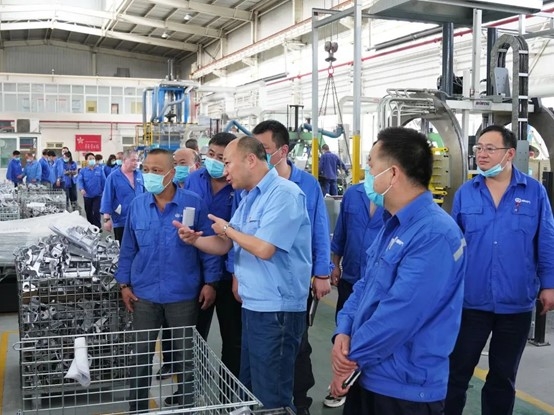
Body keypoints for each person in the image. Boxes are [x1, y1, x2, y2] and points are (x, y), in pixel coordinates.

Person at [331, 127, 466, 415]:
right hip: (368, 374)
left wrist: (349, 359)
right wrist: (343, 331)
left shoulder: (434, 234)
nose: (367, 174)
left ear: (392, 174)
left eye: (371, 165)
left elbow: (400, 314)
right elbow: (365, 285)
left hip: (405, 389)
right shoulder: (392, 224)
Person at [174, 136, 311, 410]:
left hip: (277, 311)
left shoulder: (284, 194)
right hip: (253, 306)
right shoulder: (249, 198)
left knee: (272, 397)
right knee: (250, 390)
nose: (224, 171)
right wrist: (195, 240)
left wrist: (227, 229)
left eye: (227, 163)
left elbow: (264, 248)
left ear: (250, 160)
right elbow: (225, 244)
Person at [445, 125, 554, 415]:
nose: (481, 154)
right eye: (478, 148)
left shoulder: (534, 192)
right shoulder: (466, 193)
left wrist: (549, 284)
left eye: (489, 149)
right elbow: (452, 245)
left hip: (515, 302)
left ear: (509, 154)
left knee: (503, 378)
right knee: (456, 372)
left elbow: (546, 240)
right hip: (471, 301)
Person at [116, 148, 220, 413]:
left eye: (157, 170)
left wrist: (211, 282)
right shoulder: (138, 205)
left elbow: (208, 245)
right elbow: (128, 248)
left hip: (182, 293)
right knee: (140, 357)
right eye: (146, 170)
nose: (149, 175)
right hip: (144, 294)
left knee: (186, 357)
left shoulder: (193, 203)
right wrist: (124, 284)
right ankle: (138, 408)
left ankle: (187, 407)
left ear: (172, 173)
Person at [252, 119, 331, 415]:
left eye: (264, 149)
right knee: (265, 347)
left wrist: (321, 272)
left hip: (296, 281)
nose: (257, 156)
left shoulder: (307, 185)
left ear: (283, 150)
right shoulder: (254, 184)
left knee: (298, 345)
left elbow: (319, 230)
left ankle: (300, 401)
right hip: (262, 281)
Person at [322, 174, 384, 408]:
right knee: (343, 331)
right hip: (350, 276)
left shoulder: (392, 198)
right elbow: (341, 233)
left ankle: (361, 385)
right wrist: (335, 264)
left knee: (371, 334)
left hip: (377, 283)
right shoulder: (353, 194)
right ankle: (341, 383)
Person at [183, 132, 241, 377]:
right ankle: (189, 385)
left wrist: (235, 273)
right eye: (211, 155)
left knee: (233, 338)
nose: (215, 161)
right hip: (198, 270)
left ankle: (231, 391)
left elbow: (239, 234)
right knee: (194, 335)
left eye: (222, 157)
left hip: (230, 273)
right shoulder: (193, 180)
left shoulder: (239, 185)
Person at [101, 150, 145, 244]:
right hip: (121, 220)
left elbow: (145, 194)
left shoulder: (139, 175)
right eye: (133, 160)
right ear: (124, 160)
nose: (136, 163)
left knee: (140, 247)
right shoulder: (113, 177)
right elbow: (107, 198)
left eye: (137, 160)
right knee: (123, 248)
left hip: (139, 219)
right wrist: (107, 219)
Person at [77, 152, 105, 228]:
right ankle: (91, 226)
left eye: (93, 158)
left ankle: (97, 227)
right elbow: (80, 181)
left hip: (98, 195)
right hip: (87, 195)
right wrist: (81, 189)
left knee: (96, 211)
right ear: (86, 160)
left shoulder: (100, 170)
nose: (92, 160)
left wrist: (104, 192)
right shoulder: (83, 171)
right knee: (88, 211)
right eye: (90, 159)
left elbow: (104, 181)